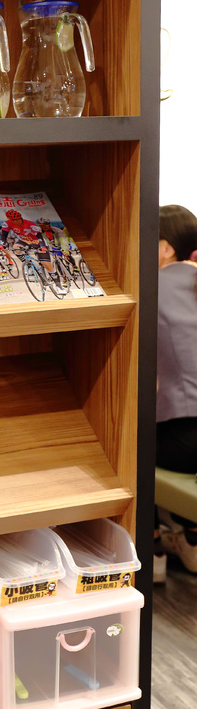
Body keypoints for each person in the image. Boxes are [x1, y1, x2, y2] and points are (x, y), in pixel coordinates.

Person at [155, 204, 197, 579]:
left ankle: (153, 544)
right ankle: (188, 537)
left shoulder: (153, 287)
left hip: (185, 442)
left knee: (122, 438)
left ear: (166, 247)